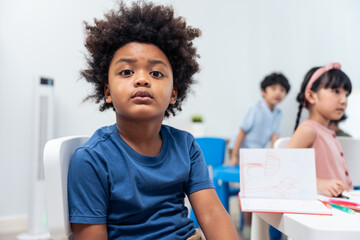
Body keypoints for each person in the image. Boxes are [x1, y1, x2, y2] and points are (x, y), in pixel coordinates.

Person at [67, 1, 239, 240]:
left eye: (156, 73)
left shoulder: (186, 146)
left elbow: (211, 214)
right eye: (127, 72)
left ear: (173, 94)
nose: (142, 80)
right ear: (107, 92)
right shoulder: (92, 159)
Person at [229, 73, 290, 238]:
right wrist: (234, 156)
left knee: (267, 182)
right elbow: (241, 132)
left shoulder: (278, 114)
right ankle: (248, 225)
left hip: (257, 154)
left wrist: (278, 156)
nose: (278, 93)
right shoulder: (254, 109)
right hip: (241, 150)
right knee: (250, 186)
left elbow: (275, 137)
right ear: (263, 91)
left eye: (283, 90)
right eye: (274, 88)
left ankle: (269, 224)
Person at [288, 62, 352, 197]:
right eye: (336, 92)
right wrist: (319, 184)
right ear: (311, 96)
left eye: (346, 94)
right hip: (322, 210)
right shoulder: (308, 130)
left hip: (339, 207)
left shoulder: (327, 133)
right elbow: (284, 171)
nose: (344, 101)